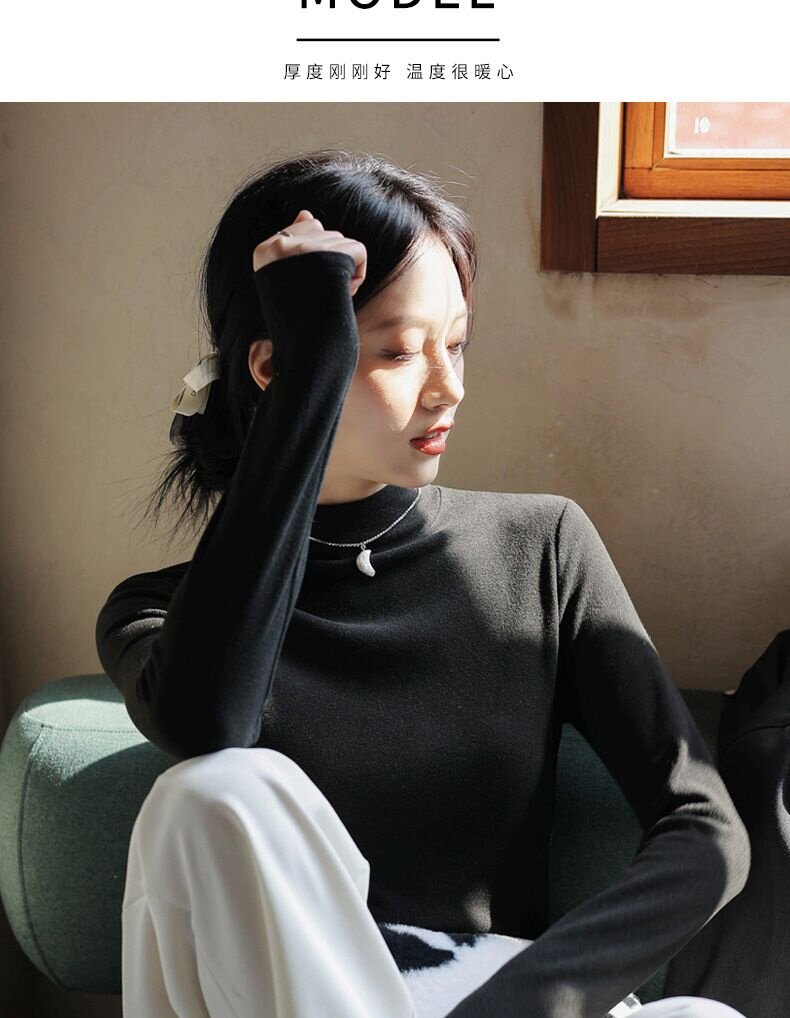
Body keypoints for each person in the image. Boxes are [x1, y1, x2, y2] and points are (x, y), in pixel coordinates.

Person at [96, 148, 752, 1018]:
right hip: (302, 1000)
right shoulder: (158, 614)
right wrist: (311, 375)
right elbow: (208, 724)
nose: (448, 389)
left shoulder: (541, 549)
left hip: (506, 999)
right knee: (208, 791)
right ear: (276, 367)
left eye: (457, 345)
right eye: (400, 352)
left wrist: (527, 1001)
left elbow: (707, 831)